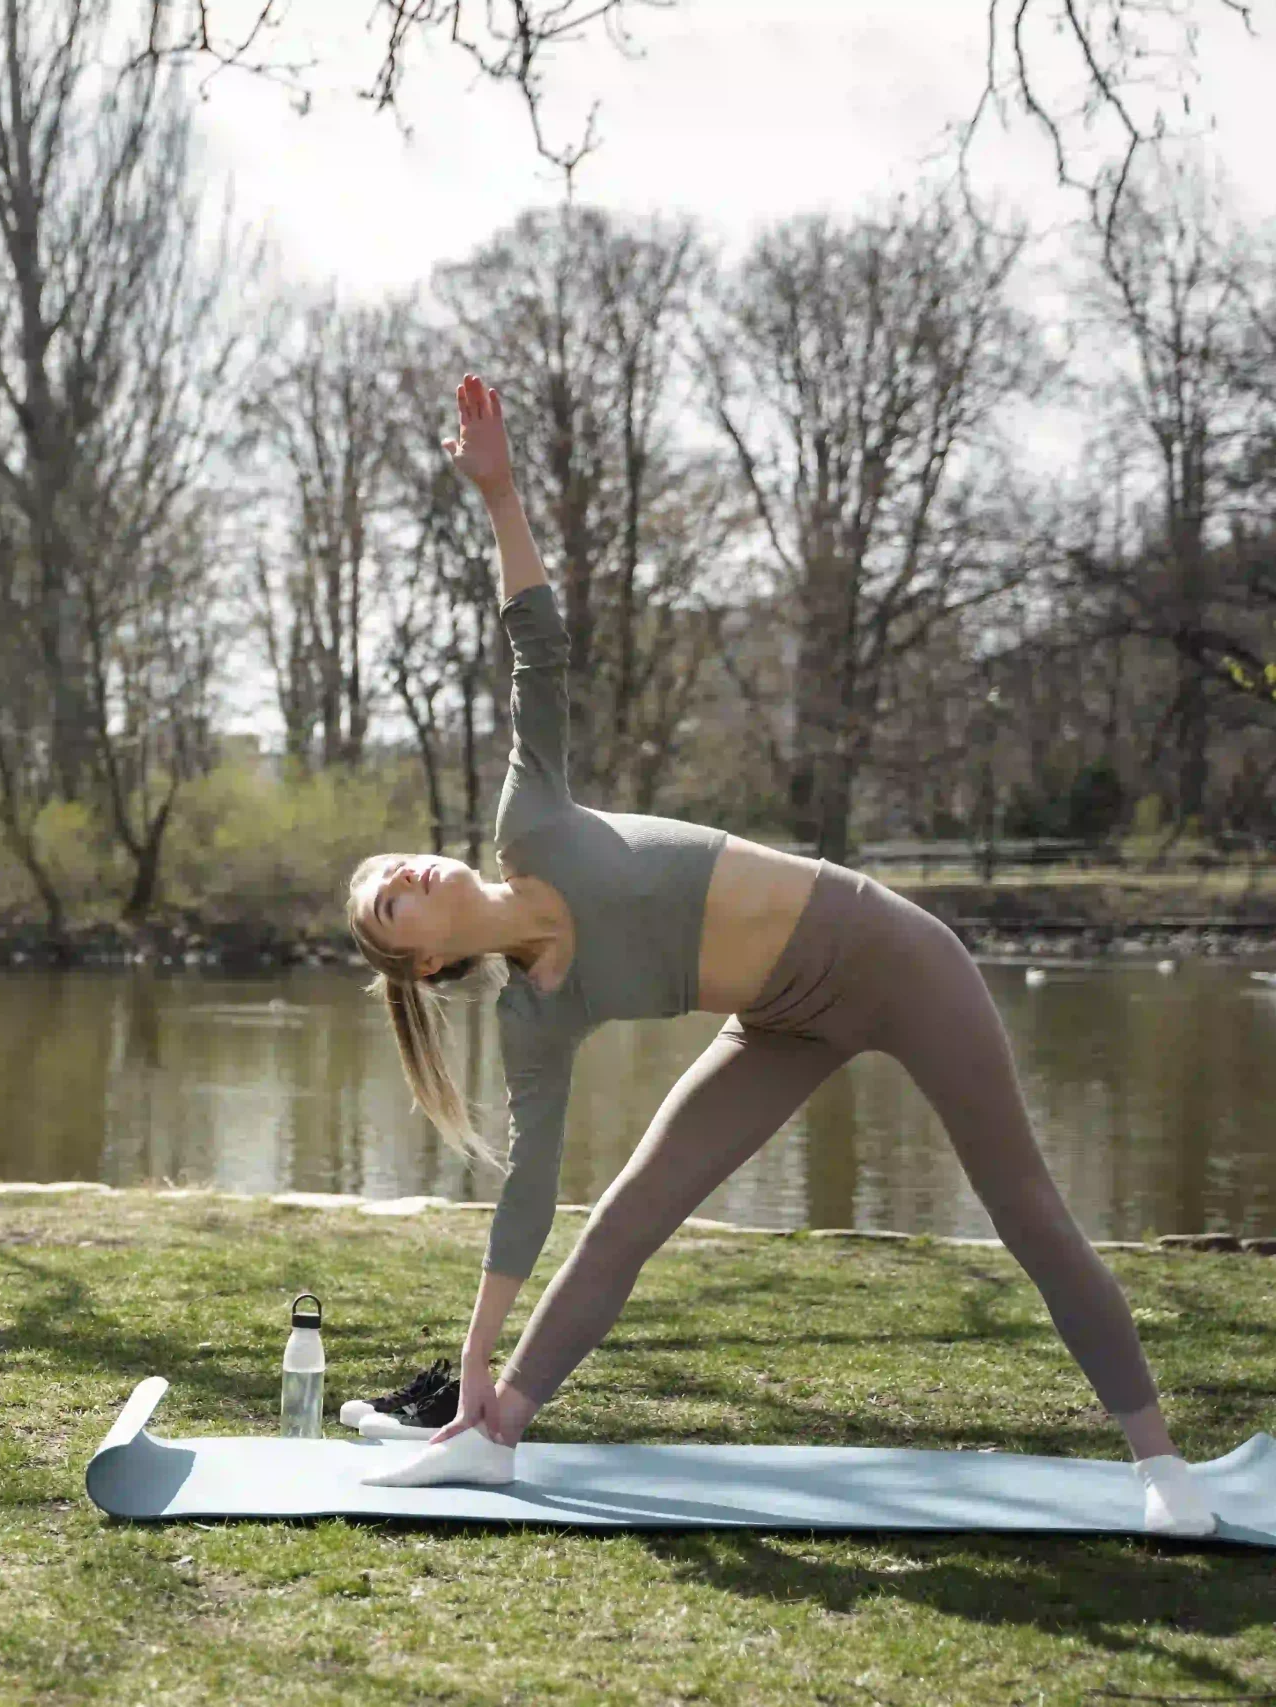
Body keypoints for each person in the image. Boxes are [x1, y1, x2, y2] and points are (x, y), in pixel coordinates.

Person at [342, 373, 1215, 1537]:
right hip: (781, 1022)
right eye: (388, 907)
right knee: (626, 1214)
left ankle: (1158, 1466)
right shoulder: (534, 1019)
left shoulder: (531, 819)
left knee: (1024, 1212)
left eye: (395, 866)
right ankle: (489, 1439)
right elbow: (529, 1197)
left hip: (894, 960)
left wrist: (498, 494)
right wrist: (473, 1365)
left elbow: (535, 648)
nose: (403, 876)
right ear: (430, 969)